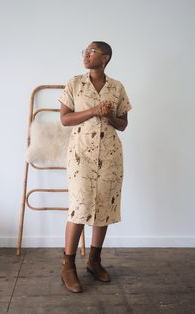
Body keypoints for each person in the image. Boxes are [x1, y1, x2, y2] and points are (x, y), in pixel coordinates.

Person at [58, 41, 132, 293]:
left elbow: (123, 124)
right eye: (85, 52)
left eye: (92, 52)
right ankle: (67, 265)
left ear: (106, 57)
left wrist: (108, 115)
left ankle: (94, 261)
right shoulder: (75, 83)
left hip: (110, 154)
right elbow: (65, 119)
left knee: (104, 205)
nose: (86, 55)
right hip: (81, 155)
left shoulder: (117, 87)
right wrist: (93, 110)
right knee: (79, 207)